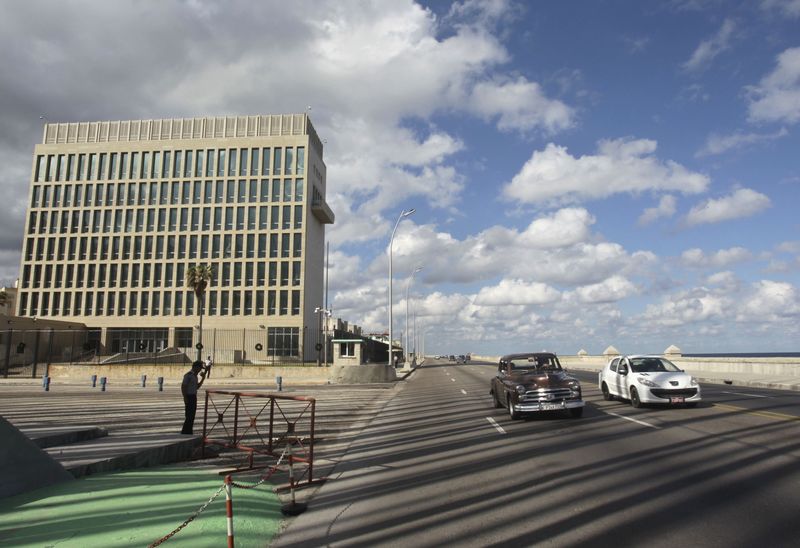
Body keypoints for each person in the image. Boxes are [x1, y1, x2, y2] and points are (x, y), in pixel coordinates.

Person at [181, 361, 206, 435]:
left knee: (192, 416)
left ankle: (189, 431)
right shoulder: (188, 375)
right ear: (195, 367)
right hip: (189, 396)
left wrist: (203, 379)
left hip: (193, 396)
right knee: (189, 416)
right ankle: (185, 432)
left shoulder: (195, 376)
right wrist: (185, 397)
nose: (200, 370)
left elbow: (197, 387)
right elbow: (183, 387)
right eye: (199, 368)